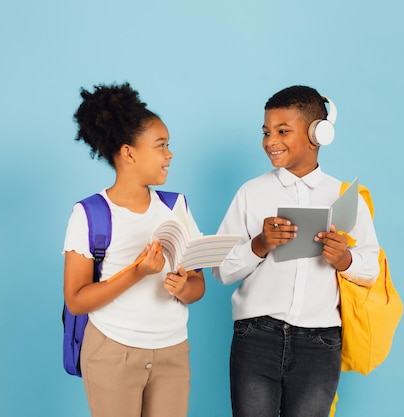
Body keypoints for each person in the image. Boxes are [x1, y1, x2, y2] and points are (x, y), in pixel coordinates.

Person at [212, 85, 381, 417]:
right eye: (266, 132)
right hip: (256, 336)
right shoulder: (251, 193)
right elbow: (221, 270)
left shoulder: (345, 197)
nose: (270, 141)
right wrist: (259, 245)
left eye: (282, 131)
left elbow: (371, 268)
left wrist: (343, 259)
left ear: (317, 134)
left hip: (320, 343)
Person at [63, 82, 205, 417]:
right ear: (129, 152)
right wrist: (137, 272)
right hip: (112, 350)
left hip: (172, 350)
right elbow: (76, 299)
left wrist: (185, 287)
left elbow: (198, 285)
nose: (169, 154)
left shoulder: (177, 208)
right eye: (161, 145)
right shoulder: (89, 214)